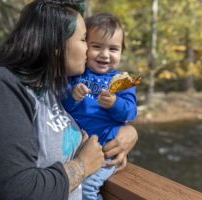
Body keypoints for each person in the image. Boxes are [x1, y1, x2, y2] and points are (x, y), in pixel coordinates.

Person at [0, 1, 137, 200]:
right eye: (84, 40)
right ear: (56, 45)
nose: (89, 51)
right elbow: (16, 192)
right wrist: (83, 165)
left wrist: (128, 133)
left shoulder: (53, 88)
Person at [61, 12, 137, 200]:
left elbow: (130, 113)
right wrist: (73, 97)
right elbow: (64, 107)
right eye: (96, 47)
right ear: (85, 46)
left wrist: (115, 104)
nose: (105, 54)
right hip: (74, 148)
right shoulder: (76, 73)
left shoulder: (123, 81)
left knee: (87, 189)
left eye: (113, 49)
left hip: (104, 148)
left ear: (121, 51)